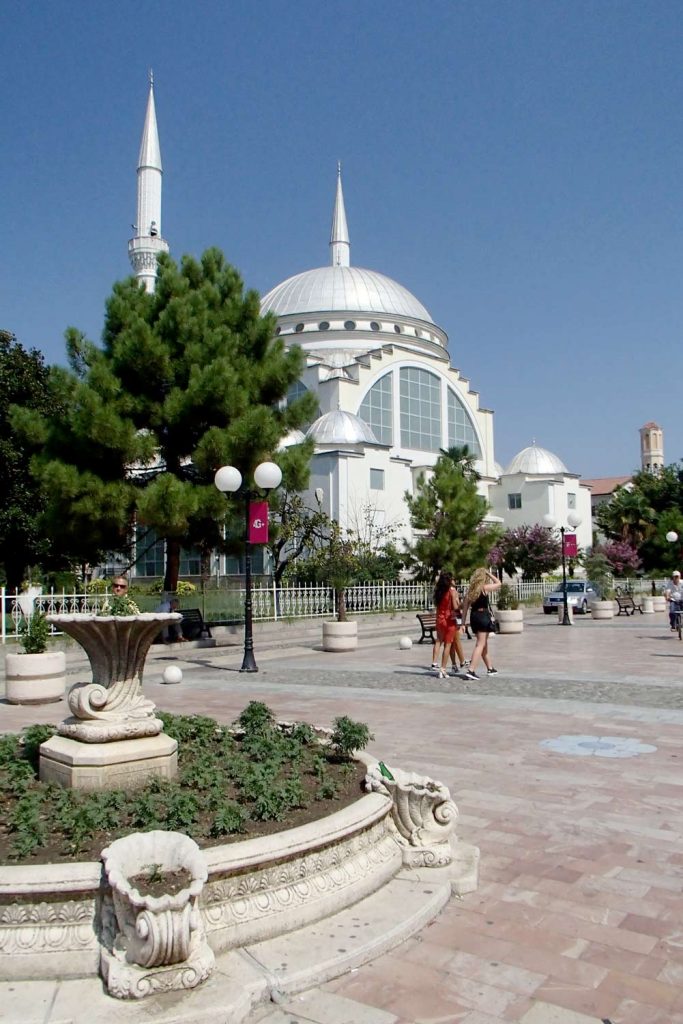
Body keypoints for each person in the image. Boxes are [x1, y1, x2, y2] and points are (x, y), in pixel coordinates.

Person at [461, 568, 501, 680]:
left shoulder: (470, 591)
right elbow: (498, 583)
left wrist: (463, 624)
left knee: (483, 643)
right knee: (480, 644)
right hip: (483, 616)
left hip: (474, 617)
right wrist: (488, 573)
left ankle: (490, 668)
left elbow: (464, 609)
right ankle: (471, 670)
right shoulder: (484, 588)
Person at [432, 572, 467, 678]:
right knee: (448, 645)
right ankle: (443, 669)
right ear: (449, 580)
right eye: (452, 578)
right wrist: (464, 603)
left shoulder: (438, 591)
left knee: (440, 641)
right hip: (449, 621)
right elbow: (456, 608)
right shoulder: (451, 591)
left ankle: (443, 668)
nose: (454, 580)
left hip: (440, 620)